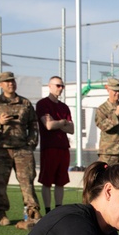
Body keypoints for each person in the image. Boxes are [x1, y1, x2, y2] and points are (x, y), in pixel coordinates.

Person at [0, 71, 41, 227]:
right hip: (2, 149)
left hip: (22, 149)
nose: (11, 84)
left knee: (27, 182)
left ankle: (32, 212)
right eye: (7, 81)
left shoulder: (25, 103)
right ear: (1, 84)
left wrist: (31, 143)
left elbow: (33, 125)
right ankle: (1, 214)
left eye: (12, 81)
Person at [36, 76, 74, 214]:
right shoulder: (42, 104)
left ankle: (58, 208)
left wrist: (60, 123)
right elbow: (49, 125)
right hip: (49, 147)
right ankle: (47, 210)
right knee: (47, 181)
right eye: (58, 85)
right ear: (50, 86)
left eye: (62, 86)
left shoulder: (64, 107)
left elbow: (71, 129)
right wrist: (63, 123)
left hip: (63, 147)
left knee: (61, 181)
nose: (60, 89)